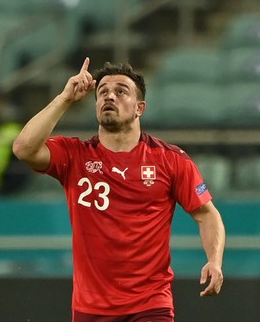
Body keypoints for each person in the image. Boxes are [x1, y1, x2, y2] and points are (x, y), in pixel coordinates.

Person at [12, 58, 225, 321]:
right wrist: (64, 99)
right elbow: (23, 149)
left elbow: (207, 214)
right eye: (102, 92)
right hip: (91, 308)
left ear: (139, 108)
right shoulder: (75, 156)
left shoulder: (170, 160)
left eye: (121, 91)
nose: (109, 96)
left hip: (150, 303)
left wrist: (214, 261)